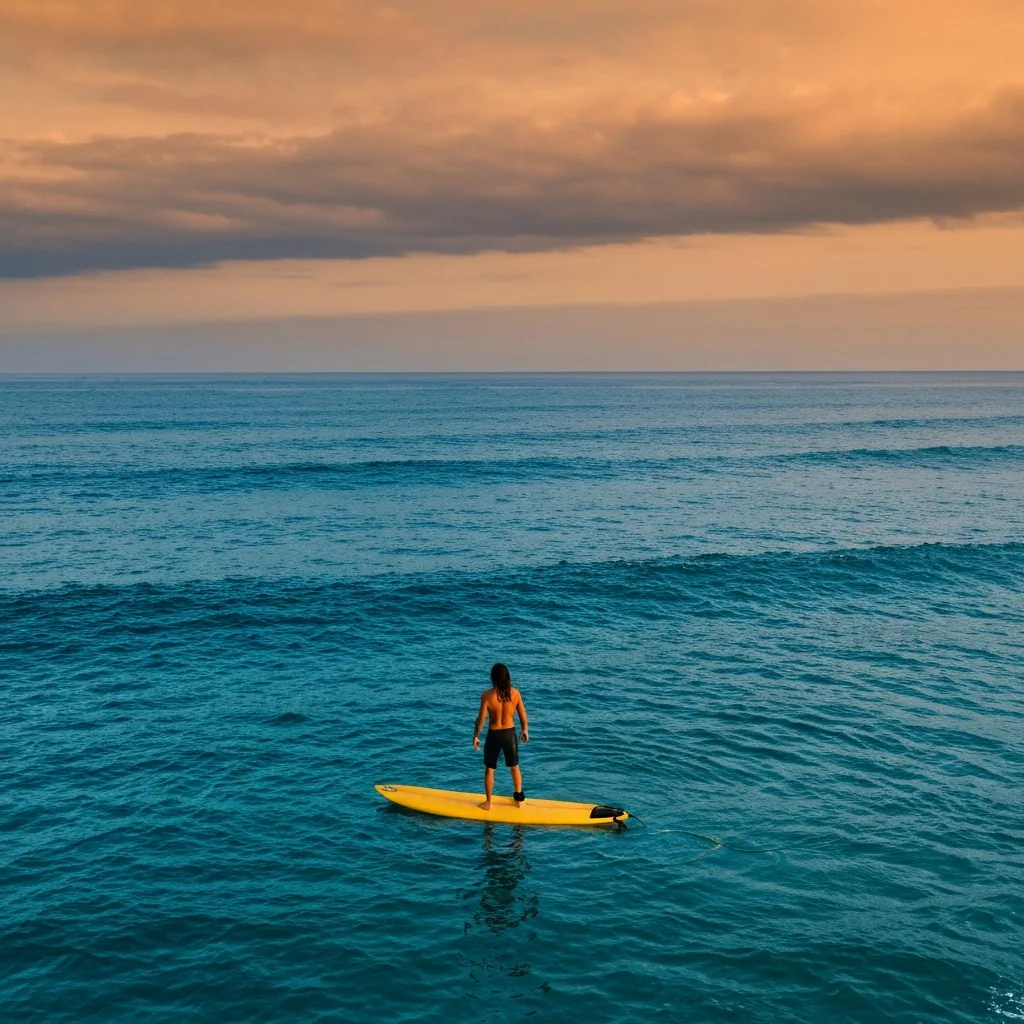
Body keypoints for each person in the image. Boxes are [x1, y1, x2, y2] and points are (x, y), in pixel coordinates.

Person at [473, 663, 529, 810]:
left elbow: (481, 719)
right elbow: (523, 714)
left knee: (490, 769)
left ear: (493, 678)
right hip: (509, 733)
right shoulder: (515, 693)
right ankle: (519, 799)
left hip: (494, 734)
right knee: (514, 767)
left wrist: (476, 735)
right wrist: (525, 730)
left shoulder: (487, 696)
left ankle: (489, 803)